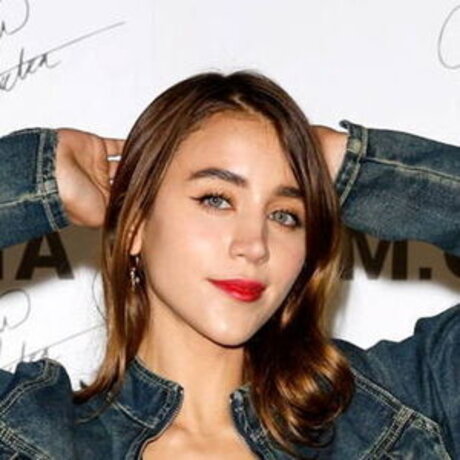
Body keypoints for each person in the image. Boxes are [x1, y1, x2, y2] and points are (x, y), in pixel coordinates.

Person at [0, 71, 459, 459]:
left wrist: (358, 170)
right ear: (136, 225)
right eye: (216, 199)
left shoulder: (393, 413)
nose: (254, 245)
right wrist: (38, 180)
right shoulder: (32, 432)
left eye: (285, 215)